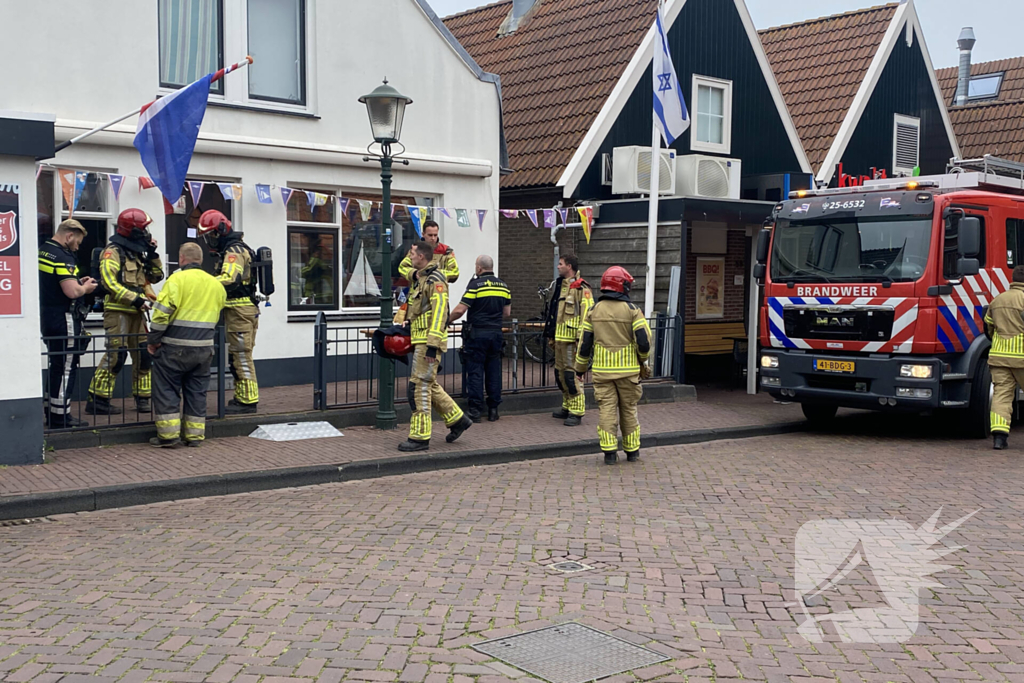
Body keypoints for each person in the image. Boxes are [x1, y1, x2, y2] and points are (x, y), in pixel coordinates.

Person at [147, 243, 227, 448]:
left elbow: (161, 313)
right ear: (200, 259)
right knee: (197, 392)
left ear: (181, 258)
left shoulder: (176, 280)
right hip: (204, 348)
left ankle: (168, 437)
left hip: (175, 346)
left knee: (167, 389)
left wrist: (154, 339)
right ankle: (194, 436)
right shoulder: (216, 284)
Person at [87, 209, 164, 416]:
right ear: (133, 230)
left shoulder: (138, 252)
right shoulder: (112, 252)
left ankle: (143, 398)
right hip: (117, 311)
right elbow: (108, 282)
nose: (147, 233)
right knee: (116, 356)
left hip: (137, 313)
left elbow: (156, 277)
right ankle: (98, 400)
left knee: (144, 355)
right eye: (144, 229)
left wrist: (153, 255)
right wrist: (135, 299)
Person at [399, 241, 473, 452]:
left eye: (412, 254)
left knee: (419, 387)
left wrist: (432, 345)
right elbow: (421, 310)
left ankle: (420, 437)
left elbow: (440, 312)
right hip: (421, 339)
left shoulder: (435, 280)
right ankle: (457, 420)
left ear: (421, 257)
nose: (410, 257)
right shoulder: (422, 279)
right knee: (428, 383)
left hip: (428, 342)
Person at [575, 266, 652, 465]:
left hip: (602, 373)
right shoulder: (633, 311)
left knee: (607, 411)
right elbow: (644, 342)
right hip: (629, 373)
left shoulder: (593, 311)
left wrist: (580, 370)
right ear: (622, 286)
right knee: (629, 410)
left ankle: (609, 453)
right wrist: (642, 360)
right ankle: (632, 452)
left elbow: (584, 344)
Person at [197, 210, 261, 414]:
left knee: (241, 355)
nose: (210, 240)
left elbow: (229, 278)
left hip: (239, 311)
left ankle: (248, 401)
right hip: (240, 310)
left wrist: (201, 282)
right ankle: (243, 397)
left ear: (220, 231)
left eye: (211, 234)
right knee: (238, 355)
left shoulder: (233, 251)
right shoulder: (234, 249)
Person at [39, 219, 98, 428]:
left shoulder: (43, 251)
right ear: (70, 235)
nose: (78, 247)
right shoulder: (63, 257)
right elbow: (72, 292)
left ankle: (51, 410)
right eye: (78, 242)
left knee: (56, 365)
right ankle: (60, 417)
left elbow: (55, 284)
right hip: (64, 318)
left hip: (47, 316)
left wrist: (77, 283)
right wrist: (85, 288)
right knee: (66, 366)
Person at [449, 255, 511, 422]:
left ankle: (475, 411)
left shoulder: (475, 285)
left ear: (479, 268)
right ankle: (493, 410)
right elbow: (507, 313)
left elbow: (460, 310)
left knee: (475, 371)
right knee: (494, 371)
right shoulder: (503, 286)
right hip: (496, 333)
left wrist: (447, 321)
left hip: (477, 334)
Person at [544, 254, 593, 426]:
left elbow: (587, 315)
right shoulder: (561, 286)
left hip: (572, 341)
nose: (558, 266)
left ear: (569, 266)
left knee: (572, 376)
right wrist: (551, 335)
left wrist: (581, 339)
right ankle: (567, 406)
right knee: (560, 375)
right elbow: (555, 313)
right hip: (560, 340)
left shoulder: (581, 288)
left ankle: (576, 411)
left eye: (561, 264)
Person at [985, 264, 1024, 449]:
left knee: (1001, 396)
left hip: (999, 357)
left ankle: (999, 439)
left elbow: (989, 327)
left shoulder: (998, 300)